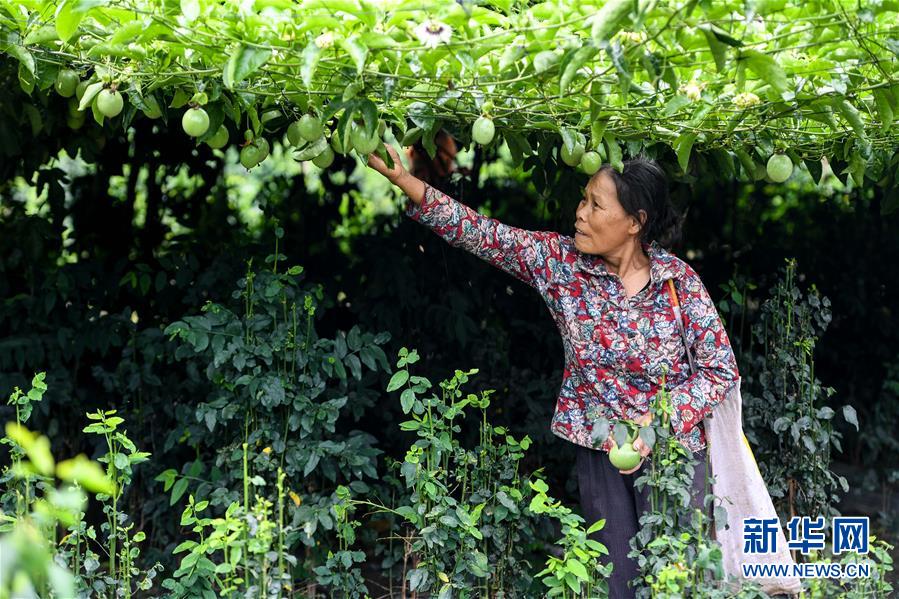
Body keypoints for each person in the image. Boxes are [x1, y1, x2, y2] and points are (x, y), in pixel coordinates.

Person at [366, 142, 740, 598]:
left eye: (595, 205)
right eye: (583, 199)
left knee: (681, 580)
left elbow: (720, 371)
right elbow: (484, 234)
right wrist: (407, 182)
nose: (579, 213)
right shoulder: (562, 264)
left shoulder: (678, 282)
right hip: (600, 451)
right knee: (616, 583)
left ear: (635, 222)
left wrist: (656, 422)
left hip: (676, 455)